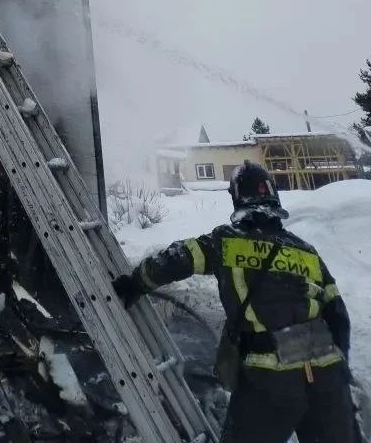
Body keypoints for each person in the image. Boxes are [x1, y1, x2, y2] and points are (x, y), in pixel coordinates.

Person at [114, 161, 356, 443]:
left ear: (238, 198)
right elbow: (338, 316)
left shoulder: (226, 241)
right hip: (329, 379)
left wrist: (135, 283)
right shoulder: (307, 251)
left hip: (269, 380)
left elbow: (177, 259)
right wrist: (337, 371)